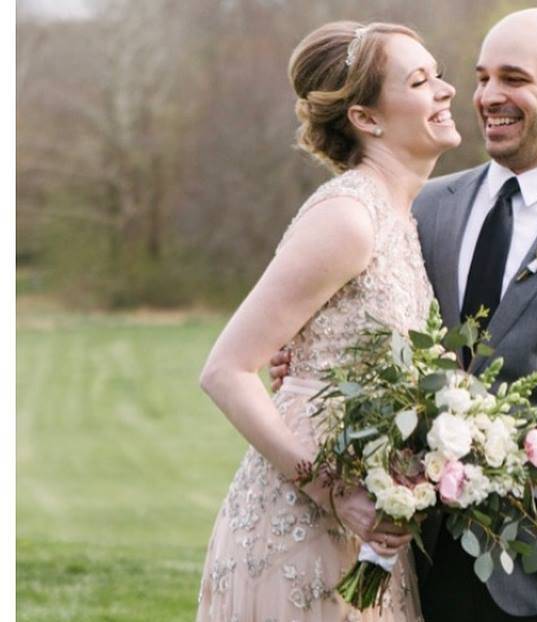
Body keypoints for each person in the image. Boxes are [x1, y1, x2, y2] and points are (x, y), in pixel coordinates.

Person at [272, 7, 537, 622]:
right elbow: (356, 324)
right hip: (408, 557)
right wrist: (299, 361)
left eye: (513, 79)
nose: (489, 96)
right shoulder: (420, 209)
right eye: (483, 77)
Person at [196, 20, 460, 621]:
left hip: (367, 538)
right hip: (302, 528)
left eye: (437, 74)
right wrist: (333, 493)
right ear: (366, 119)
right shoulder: (348, 217)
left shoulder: (403, 219)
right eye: (420, 81)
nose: (444, 90)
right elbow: (227, 370)